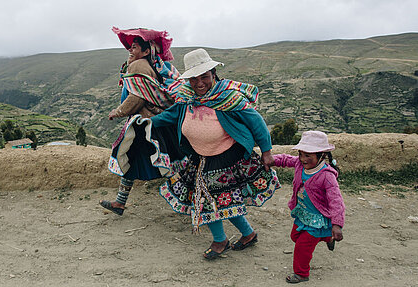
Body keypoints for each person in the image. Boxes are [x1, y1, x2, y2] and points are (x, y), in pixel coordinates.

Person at [146, 48, 280, 259]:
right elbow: (169, 116)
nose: (199, 83)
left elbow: (256, 122)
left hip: (227, 157)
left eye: (204, 77)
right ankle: (248, 234)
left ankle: (220, 241)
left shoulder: (227, 98)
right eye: (193, 79)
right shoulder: (186, 98)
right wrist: (145, 123)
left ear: (213, 74)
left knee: (209, 200)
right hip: (199, 157)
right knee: (223, 201)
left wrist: (267, 151)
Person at [100, 27, 186, 216]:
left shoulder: (139, 66)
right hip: (153, 122)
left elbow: (138, 96)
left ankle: (188, 200)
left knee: (163, 162)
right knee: (141, 158)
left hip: (146, 124)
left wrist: (118, 111)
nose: (130, 50)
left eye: (135, 47)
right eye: (130, 47)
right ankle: (120, 203)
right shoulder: (152, 64)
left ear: (147, 51)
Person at [271, 131, 345, 284]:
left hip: (318, 218)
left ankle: (302, 273)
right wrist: (271, 160)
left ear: (321, 156)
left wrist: (337, 224)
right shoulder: (299, 163)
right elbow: (285, 159)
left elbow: (336, 201)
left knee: (302, 246)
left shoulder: (326, 176)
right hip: (304, 213)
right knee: (295, 236)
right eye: (301, 154)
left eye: (308, 156)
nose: (303, 159)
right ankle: (327, 237)